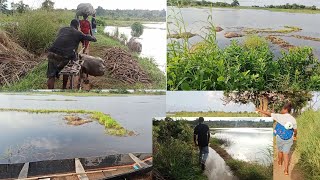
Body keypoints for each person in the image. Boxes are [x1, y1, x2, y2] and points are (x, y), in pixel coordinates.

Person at [47, 19, 97, 89]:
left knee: (51, 76)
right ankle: (64, 88)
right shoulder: (78, 33)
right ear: (77, 26)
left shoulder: (62, 29)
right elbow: (92, 39)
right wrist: (93, 37)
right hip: (64, 56)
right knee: (67, 69)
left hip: (51, 53)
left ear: (70, 24)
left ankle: (50, 93)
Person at [256, 103, 297, 176]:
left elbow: (269, 113)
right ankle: (286, 170)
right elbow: (295, 130)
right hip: (289, 138)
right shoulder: (293, 119)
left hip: (280, 137)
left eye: (282, 109)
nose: (281, 110)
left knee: (280, 151)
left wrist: (259, 110)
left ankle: (280, 162)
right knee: (286, 154)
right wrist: (295, 136)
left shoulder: (279, 116)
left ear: (285, 109)